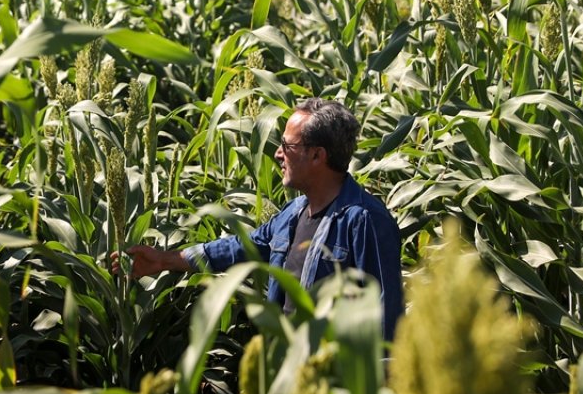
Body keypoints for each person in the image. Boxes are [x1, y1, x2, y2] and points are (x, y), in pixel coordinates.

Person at [115, 98, 404, 340]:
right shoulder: (293, 214)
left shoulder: (365, 220)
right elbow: (240, 248)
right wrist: (164, 260)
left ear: (317, 155)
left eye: (287, 145)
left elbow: (385, 316)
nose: (278, 154)